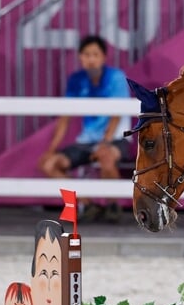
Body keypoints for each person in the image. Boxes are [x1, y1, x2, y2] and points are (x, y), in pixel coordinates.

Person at [39, 34, 132, 222]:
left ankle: (113, 205)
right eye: (86, 54)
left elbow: (116, 115)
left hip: (115, 138)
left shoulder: (116, 77)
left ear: (103, 57)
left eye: (95, 54)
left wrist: (104, 143)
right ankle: (87, 204)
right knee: (49, 165)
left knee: (106, 157)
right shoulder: (76, 80)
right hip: (86, 140)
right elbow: (64, 118)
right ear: (80, 57)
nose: (91, 59)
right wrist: (50, 150)